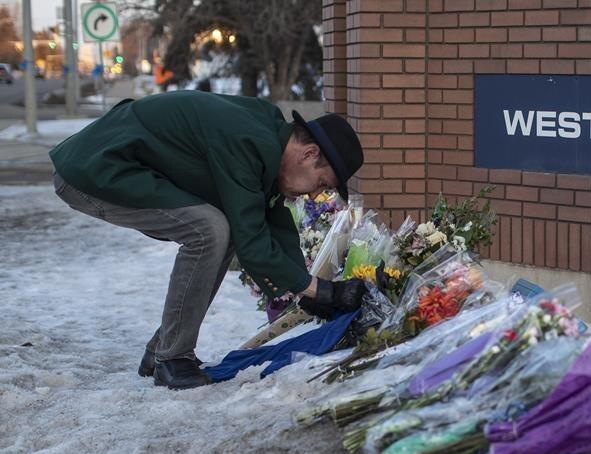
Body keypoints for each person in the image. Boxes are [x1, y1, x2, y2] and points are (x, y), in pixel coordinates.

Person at [50, 91, 365, 390]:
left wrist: (309, 291)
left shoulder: (269, 139)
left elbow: (272, 222)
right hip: (97, 167)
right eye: (321, 182)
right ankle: (172, 358)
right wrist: (321, 290)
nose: (315, 194)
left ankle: (163, 348)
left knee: (221, 229)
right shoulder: (247, 140)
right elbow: (253, 245)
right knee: (209, 230)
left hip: (116, 162)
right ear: (309, 153)